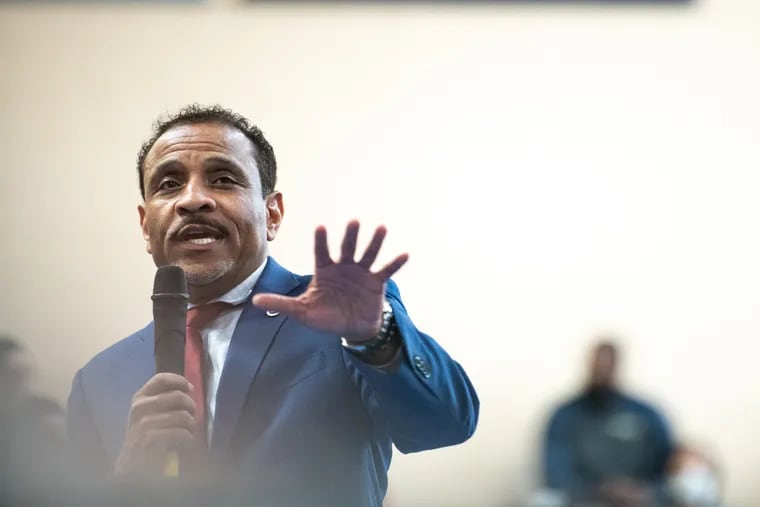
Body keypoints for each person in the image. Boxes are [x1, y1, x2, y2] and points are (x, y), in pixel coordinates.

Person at [66, 104, 479, 507]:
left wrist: (376, 340)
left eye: (223, 179)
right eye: (169, 184)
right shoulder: (97, 379)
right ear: (145, 224)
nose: (191, 200)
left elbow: (443, 426)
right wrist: (125, 480)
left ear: (273, 214)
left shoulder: (343, 316)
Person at [541, 339, 673, 507]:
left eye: (607, 364)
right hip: (584, 501)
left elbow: (667, 468)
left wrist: (640, 491)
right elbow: (556, 473)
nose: (601, 370)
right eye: (597, 364)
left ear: (617, 366)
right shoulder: (565, 416)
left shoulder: (646, 415)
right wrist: (600, 490)